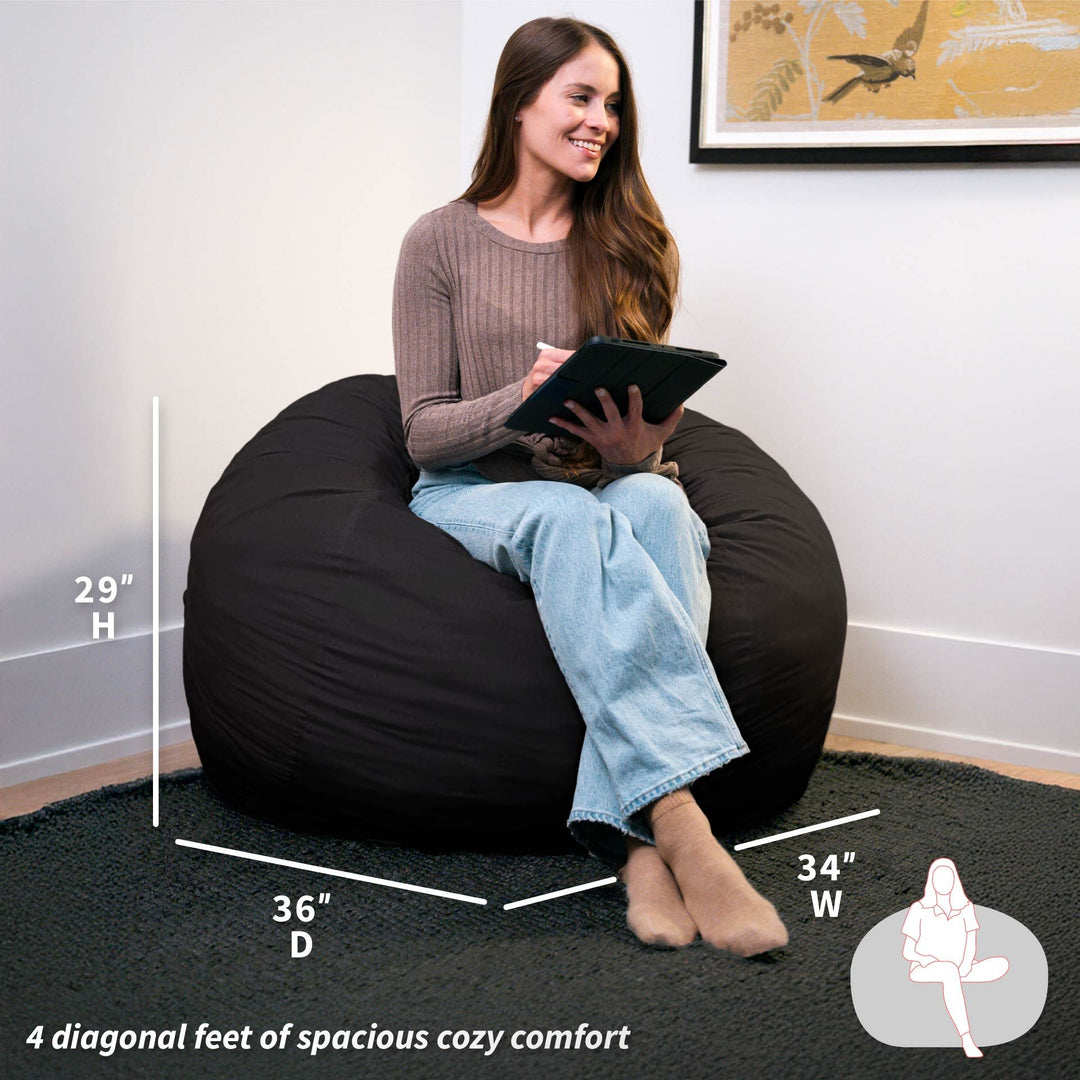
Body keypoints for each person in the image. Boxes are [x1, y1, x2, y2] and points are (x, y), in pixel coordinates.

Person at [392, 16, 787, 956]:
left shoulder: (626, 239)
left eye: (613, 104)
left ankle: (635, 849)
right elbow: (421, 432)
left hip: (599, 481)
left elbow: (635, 451)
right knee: (570, 519)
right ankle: (686, 828)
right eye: (580, 97)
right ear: (519, 103)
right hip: (468, 489)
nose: (602, 121)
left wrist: (636, 452)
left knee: (660, 506)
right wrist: (519, 401)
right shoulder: (437, 242)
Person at [902, 857, 1009, 1057]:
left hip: (959, 966)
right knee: (948, 971)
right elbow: (907, 951)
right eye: (939, 878)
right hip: (926, 967)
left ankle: (956, 980)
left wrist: (967, 963)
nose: (943, 883)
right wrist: (926, 959)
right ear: (931, 881)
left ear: (954, 880)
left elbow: (971, 941)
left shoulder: (966, 908)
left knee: (1001, 964)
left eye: (948, 878)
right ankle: (966, 1037)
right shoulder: (919, 909)